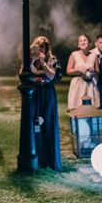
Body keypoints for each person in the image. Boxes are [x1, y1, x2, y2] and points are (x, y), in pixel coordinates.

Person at [29, 36, 62, 171]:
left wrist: (43, 63)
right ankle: (38, 158)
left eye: (43, 47)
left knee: (48, 124)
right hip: (35, 95)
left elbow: (52, 76)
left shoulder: (52, 60)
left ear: (47, 48)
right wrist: (33, 61)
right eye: (38, 46)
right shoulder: (31, 60)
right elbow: (23, 74)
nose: (40, 49)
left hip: (47, 95)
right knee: (36, 125)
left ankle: (50, 159)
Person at [66, 34, 99, 110]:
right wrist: (78, 70)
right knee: (76, 109)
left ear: (89, 43)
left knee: (91, 109)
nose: (83, 42)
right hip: (77, 84)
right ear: (78, 44)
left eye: (85, 40)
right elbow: (68, 71)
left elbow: (98, 72)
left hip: (91, 85)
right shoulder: (74, 55)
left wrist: (93, 70)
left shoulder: (94, 55)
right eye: (80, 41)